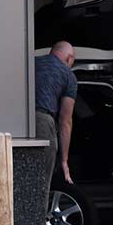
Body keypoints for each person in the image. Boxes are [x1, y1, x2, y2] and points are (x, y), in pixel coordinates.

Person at [34, 41, 78, 205]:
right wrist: (64, 161)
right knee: (41, 183)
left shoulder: (32, 63)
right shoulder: (68, 75)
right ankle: (36, 219)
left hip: (16, 121)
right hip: (42, 121)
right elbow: (65, 121)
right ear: (69, 58)